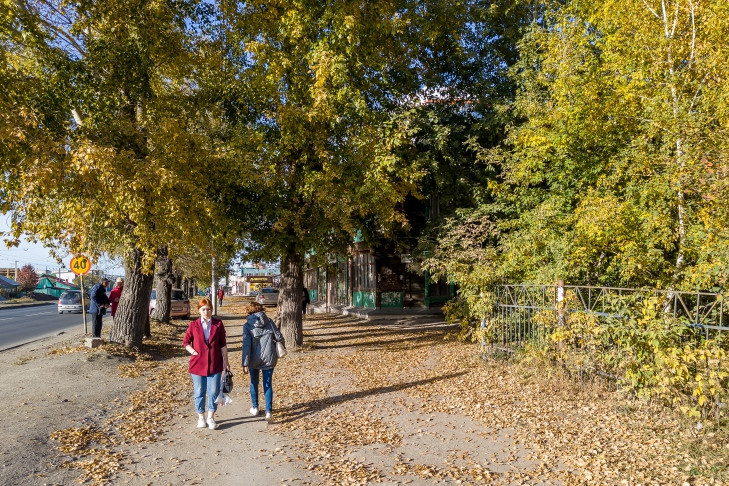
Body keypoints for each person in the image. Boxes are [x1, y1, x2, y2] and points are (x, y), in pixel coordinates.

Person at [183, 298, 230, 430]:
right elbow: (186, 342)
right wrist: (193, 351)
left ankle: (211, 417)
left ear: (212, 310)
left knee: (214, 391)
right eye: (203, 309)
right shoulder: (193, 325)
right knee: (199, 391)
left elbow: (223, 344)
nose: (206, 311)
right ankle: (201, 417)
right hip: (197, 364)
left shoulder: (218, 324)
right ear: (199, 310)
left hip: (215, 363)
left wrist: (226, 362)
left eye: (208, 309)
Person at [242, 301, 284, 422]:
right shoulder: (269, 322)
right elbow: (279, 337)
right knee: (268, 384)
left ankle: (255, 408)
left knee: (254, 383)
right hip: (269, 357)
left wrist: (244, 363)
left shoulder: (247, 325)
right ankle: (268, 412)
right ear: (261, 310)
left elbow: (246, 345)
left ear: (249, 311)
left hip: (253, 359)